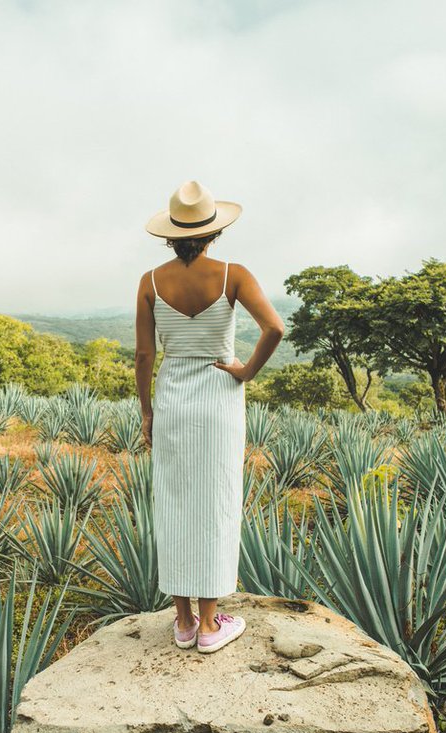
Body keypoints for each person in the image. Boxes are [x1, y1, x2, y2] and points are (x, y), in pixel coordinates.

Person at [134, 180, 285, 654]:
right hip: (219, 397)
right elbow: (275, 328)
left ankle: (181, 623)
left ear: (170, 235)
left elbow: (143, 355)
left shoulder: (150, 281)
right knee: (215, 501)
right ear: (213, 232)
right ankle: (208, 626)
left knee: (175, 503)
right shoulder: (232, 275)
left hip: (174, 398)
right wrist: (245, 373)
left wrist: (146, 410)